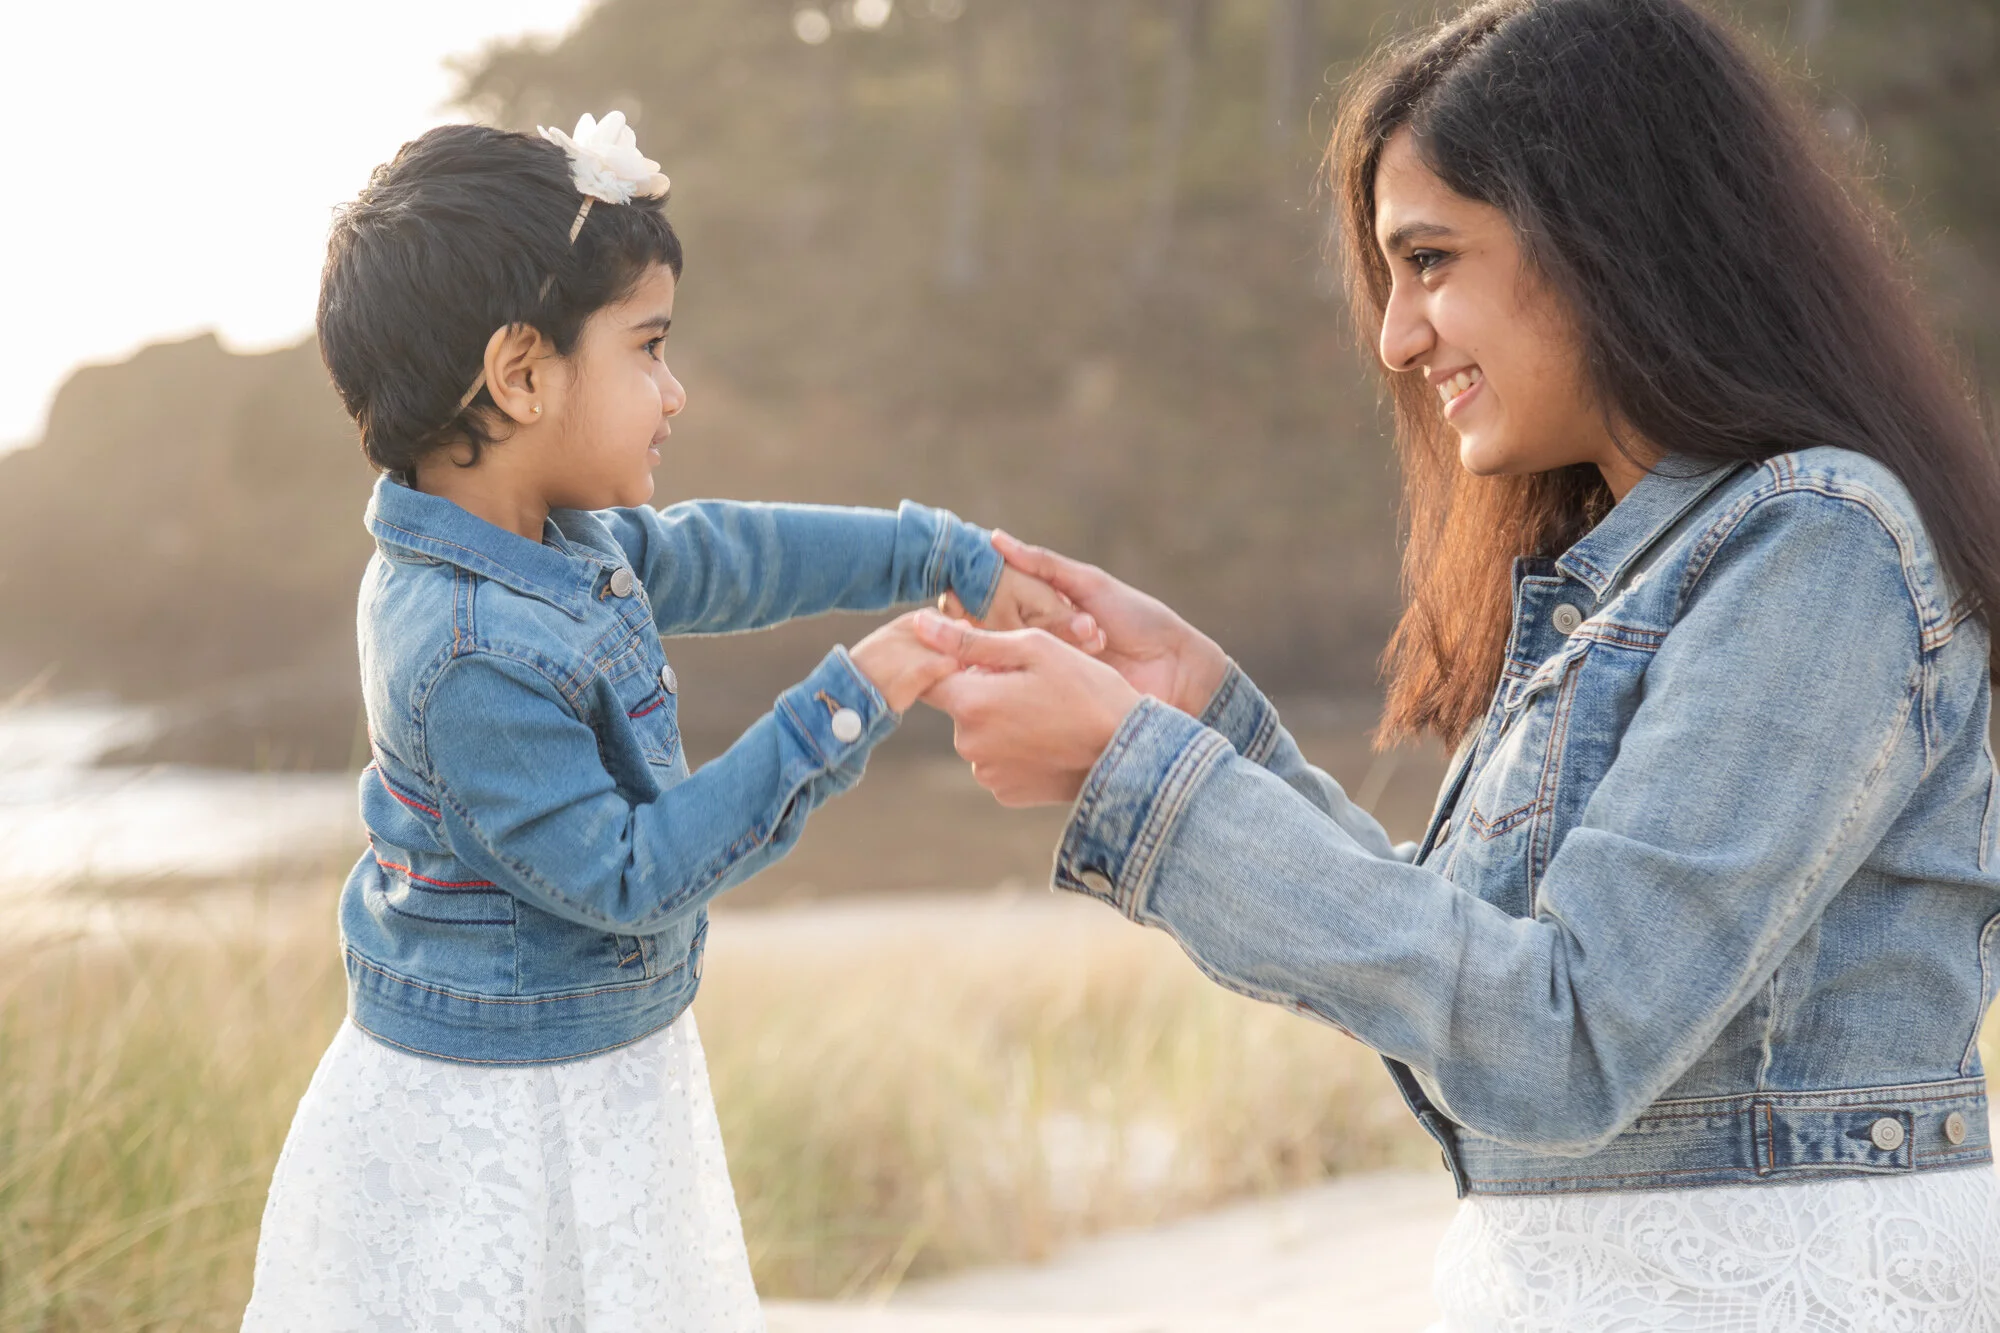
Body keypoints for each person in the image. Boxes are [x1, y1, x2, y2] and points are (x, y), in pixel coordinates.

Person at [913, 0, 2000, 1324]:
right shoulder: (1641, 573)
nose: (1397, 337)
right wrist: (1209, 728)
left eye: (1430, 260)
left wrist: (1148, 779)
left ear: (1611, 233)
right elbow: (1469, 993)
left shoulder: (1815, 545)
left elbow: (1567, 1044)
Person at [240, 113, 1093, 1330]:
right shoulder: (464, 648)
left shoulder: (549, 538)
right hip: (498, 1117)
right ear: (522, 374)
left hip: (590, 1073)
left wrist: (935, 551)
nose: (675, 390)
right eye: (647, 347)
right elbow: (631, 875)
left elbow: (727, 553)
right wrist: (853, 698)